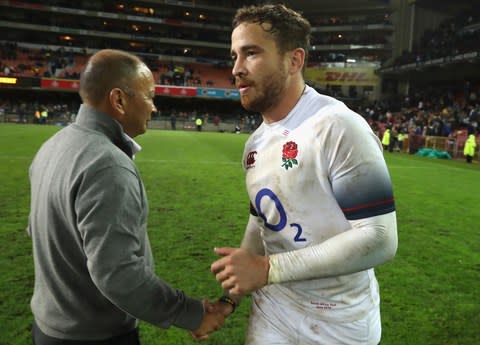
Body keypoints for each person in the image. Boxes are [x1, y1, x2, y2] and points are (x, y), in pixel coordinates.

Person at [211, 4, 398, 345]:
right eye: (235, 56)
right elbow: (261, 222)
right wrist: (231, 298)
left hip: (340, 319)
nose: (236, 69)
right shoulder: (255, 143)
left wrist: (270, 269)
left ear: (294, 61)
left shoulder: (338, 127)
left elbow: (379, 239)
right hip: (275, 307)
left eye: (250, 53)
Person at [27, 49, 226, 345]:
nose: (154, 107)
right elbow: (118, 274)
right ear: (119, 100)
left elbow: (38, 232)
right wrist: (191, 313)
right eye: (149, 96)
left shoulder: (53, 145)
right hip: (93, 336)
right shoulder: (107, 164)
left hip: (50, 327)